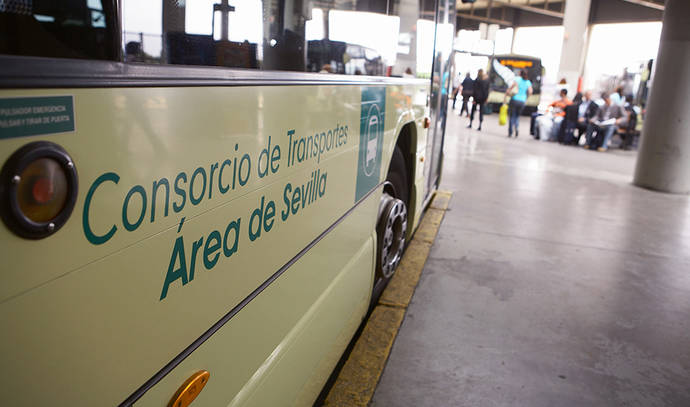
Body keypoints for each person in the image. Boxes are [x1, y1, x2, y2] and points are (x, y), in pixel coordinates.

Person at [504, 69, 533, 138]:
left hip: (514, 100)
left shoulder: (517, 79)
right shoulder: (528, 82)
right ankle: (516, 128)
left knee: (512, 116)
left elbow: (510, 88)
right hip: (522, 101)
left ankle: (510, 132)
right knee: (517, 116)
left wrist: (506, 95)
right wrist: (526, 98)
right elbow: (530, 92)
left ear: (520, 73)